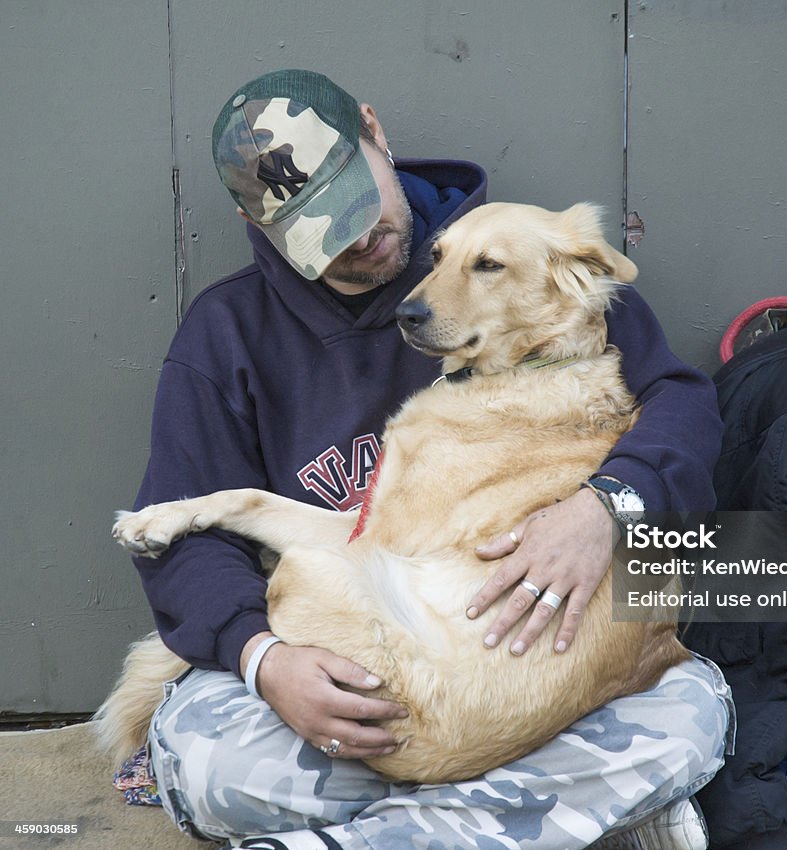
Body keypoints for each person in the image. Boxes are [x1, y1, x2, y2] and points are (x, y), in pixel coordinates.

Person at [131, 68, 733, 850]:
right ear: (258, 220)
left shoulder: (531, 262)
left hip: (525, 661)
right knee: (216, 768)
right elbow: (182, 540)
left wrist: (600, 508)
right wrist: (262, 660)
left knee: (693, 716)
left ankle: (388, 835)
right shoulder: (226, 333)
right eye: (321, 229)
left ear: (376, 136)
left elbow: (683, 404)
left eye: (357, 201)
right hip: (339, 671)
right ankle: (555, 816)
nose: (356, 239)